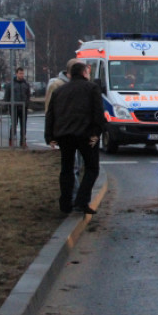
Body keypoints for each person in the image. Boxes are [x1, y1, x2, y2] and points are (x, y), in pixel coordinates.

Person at [44, 60, 108, 214]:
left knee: (66, 170)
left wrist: (50, 136)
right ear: (84, 73)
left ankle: (65, 204)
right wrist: (97, 133)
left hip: (64, 136)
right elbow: (98, 114)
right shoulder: (92, 88)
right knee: (92, 168)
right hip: (86, 136)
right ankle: (82, 201)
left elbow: (50, 114)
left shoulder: (60, 91)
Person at [4, 67, 32, 147]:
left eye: (22, 73)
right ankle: (11, 140)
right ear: (16, 73)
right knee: (14, 124)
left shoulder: (26, 84)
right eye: (20, 73)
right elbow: (7, 96)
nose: (22, 75)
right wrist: (6, 106)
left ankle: (23, 141)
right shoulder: (10, 85)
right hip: (14, 108)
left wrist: (27, 104)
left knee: (23, 125)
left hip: (23, 108)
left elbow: (28, 95)